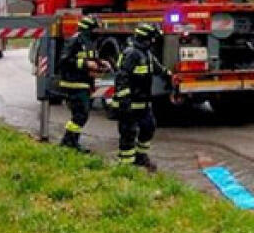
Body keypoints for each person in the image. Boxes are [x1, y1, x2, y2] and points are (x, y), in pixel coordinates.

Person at [113, 22, 170, 169]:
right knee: (128, 133)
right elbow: (122, 77)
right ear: (146, 38)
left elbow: (158, 69)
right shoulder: (131, 54)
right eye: (152, 38)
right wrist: (124, 100)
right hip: (130, 103)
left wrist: (169, 76)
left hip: (143, 102)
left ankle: (140, 157)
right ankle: (125, 166)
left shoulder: (147, 54)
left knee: (148, 128)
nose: (154, 41)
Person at [57, 15, 107, 152]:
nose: (97, 32)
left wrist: (100, 63)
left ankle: (70, 142)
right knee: (81, 114)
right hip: (73, 83)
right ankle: (68, 142)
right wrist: (86, 64)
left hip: (84, 82)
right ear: (87, 29)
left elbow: (90, 58)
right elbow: (64, 61)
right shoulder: (75, 40)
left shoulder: (89, 42)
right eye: (94, 29)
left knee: (80, 114)